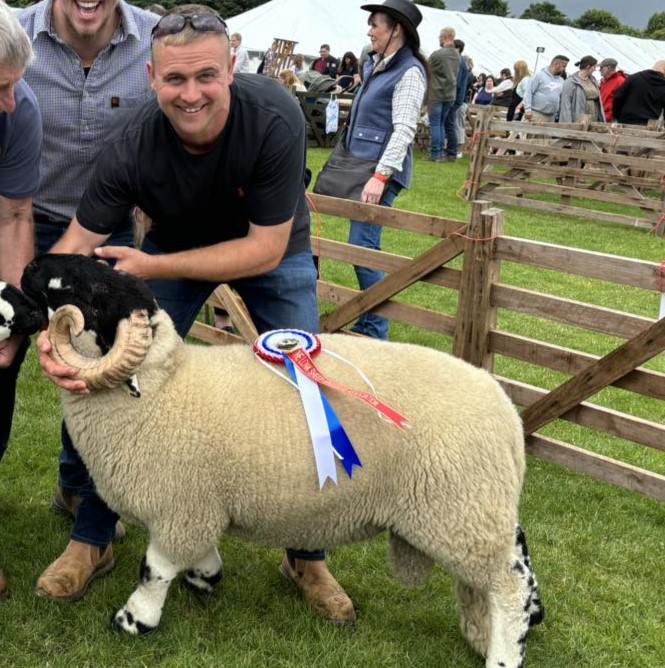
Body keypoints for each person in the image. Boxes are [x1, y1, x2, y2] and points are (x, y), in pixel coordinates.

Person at [34, 3, 356, 625]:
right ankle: (92, 537)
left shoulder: (277, 118)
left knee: (307, 389)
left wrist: (151, 270)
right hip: (172, 249)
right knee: (112, 385)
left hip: (272, 249)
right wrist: (21, 298)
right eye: (174, 80)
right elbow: (77, 240)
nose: (190, 94)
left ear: (232, 66)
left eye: (205, 75)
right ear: (150, 79)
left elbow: (263, 248)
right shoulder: (129, 142)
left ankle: (306, 554)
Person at [18, 0, 158, 600]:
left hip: (108, 233)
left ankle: (87, 516)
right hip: (16, 216)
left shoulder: (158, 39)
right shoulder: (14, 37)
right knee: (3, 353)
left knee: (100, 375)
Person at [345, 0, 428, 339]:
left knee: (362, 247)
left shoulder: (408, 72)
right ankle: (369, 320)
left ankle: (376, 327)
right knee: (358, 247)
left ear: (397, 29)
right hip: (362, 166)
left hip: (379, 172)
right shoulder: (380, 64)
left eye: (375, 25)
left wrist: (381, 176)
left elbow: (405, 128)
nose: (369, 31)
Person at [0, 0, 43, 602]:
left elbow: (12, 217)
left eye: (13, 85)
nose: (10, 101)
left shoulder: (20, 111)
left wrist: (7, 317)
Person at [427, 26, 459, 162]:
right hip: (450, 94)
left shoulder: (437, 54)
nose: (439, 40)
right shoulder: (457, 55)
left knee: (435, 124)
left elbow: (426, 69)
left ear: (445, 37)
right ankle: (440, 153)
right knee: (441, 124)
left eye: (440, 37)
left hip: (436, 93)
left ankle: (436, 154)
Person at [612, 60, 665, 128]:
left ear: (653, 67)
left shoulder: (634, 78)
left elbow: (618, 98)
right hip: (649, 126)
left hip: (625, 122)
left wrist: (617, 116)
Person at [522, 54, 569, 122]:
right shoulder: (539, 76)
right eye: (563, 66)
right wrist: (527, 109)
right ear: (556, 64)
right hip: (535, 114)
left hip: (551, 117)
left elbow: (561, 98)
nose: (564, 69)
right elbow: (528, 92)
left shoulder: (561, 81)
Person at [558, 56, 604, 123]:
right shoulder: (571, 81)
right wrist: (567, 122)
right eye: (594, 67)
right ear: (588, 67)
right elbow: (566, 103)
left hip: (593, 116)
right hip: (579, 116)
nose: (595, 70)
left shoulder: (593, 80)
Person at [598, 57, 627, 123]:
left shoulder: (620, 81)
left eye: (602, 67)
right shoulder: (604, 81)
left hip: (611, 119)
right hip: (602, 116)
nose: (599, 70)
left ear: (609, 68)